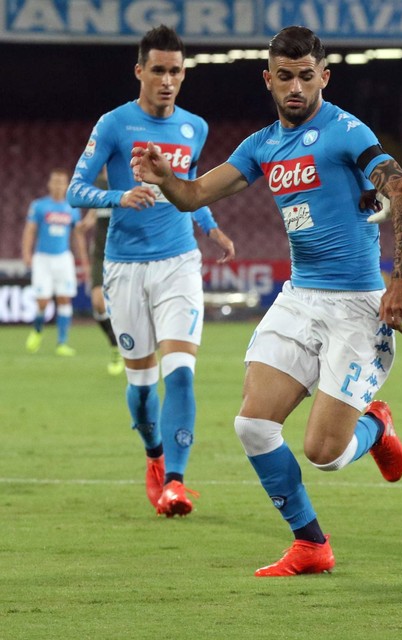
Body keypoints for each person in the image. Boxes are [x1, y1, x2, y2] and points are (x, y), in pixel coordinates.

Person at [131, 25, 402, 576]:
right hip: (299, 299)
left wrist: (401, 277)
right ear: (268, 79)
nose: (295, 87)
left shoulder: (346, 131)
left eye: (306, 77)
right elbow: (193, 195)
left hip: (357, 306)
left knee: (326, 455)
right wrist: (167, 177)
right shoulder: (262, 145)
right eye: (284, 77)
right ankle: (311, 544)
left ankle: (376, 426)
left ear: (323, 77)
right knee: (252, 426)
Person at [67, 25, 236, 518]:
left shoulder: (194, 128)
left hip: (179, 263)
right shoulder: (114, 125)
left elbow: (189, 190)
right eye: (158, 70)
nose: (167, 80)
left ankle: (177, 483)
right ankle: (155, 457)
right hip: (124, 269)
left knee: (180, 374)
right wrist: (117, 196)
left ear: (184, 75)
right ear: (140, 71)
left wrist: (210, 226)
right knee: (142, 394)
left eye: (175, 71)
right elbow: (77, 189)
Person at [21, 168, 89, 356]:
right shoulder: (39, 206)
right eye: (56, 181)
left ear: (66, 185)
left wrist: (84, 261)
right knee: (42, 302)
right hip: (43, 258)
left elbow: (78, 236)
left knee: (64, 298)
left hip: (63, 258)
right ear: (50, 184)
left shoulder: (72, 208)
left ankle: (62, 342)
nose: (59, 185)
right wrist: (26, 253)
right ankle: (37, 329)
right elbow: (30, 230)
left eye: (62, 182)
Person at [79, 167, 125, 375]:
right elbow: (91, 216)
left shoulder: (128, 181)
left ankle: (136, 348)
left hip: (124, 252)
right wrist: (84, 226)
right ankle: (116, 346)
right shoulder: (97, 186)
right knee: (98, 302)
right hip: (100, 253)